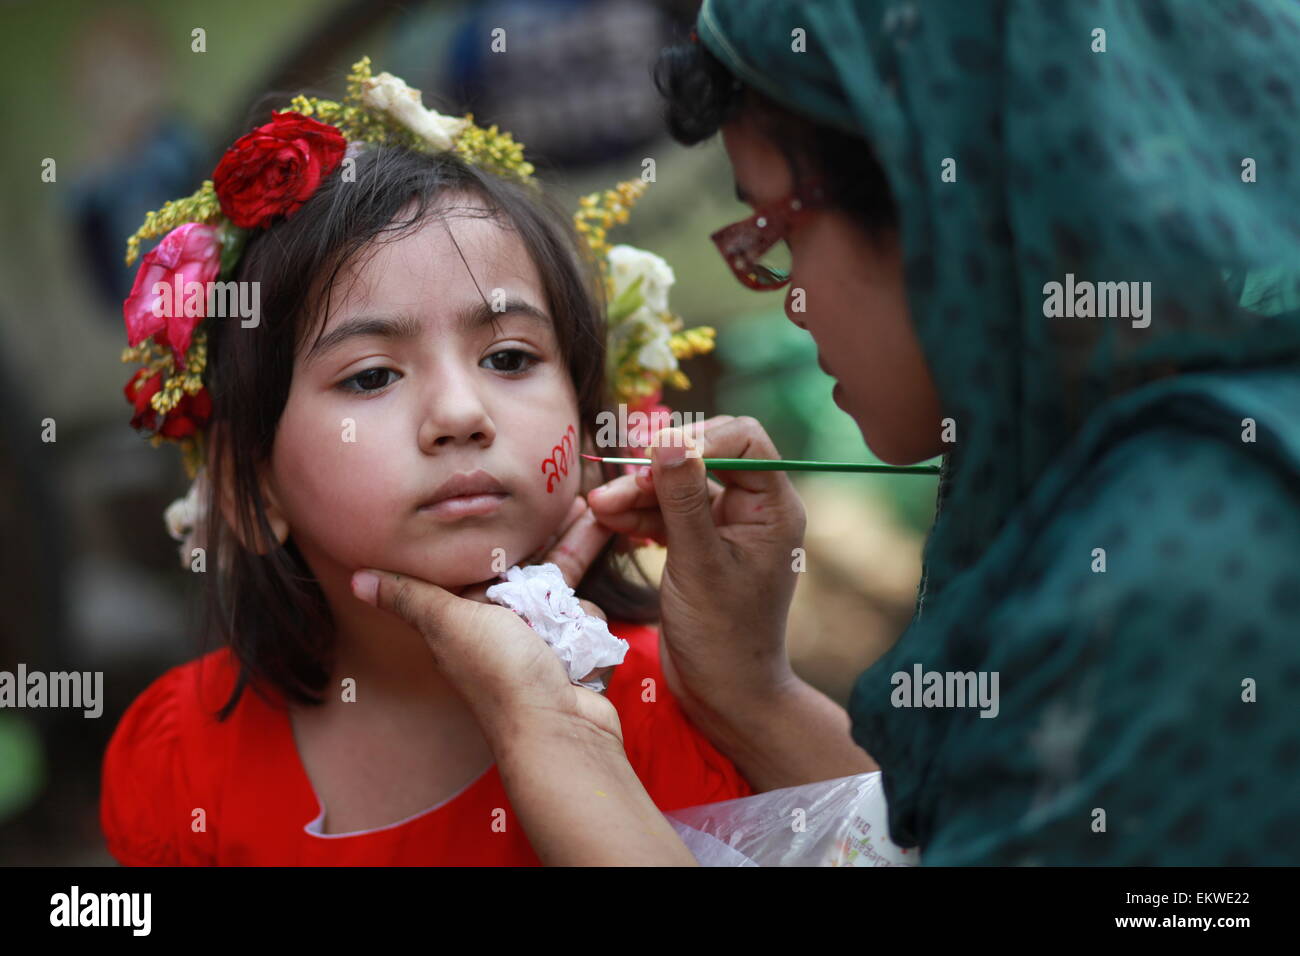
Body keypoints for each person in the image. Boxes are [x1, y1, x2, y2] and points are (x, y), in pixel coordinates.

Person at [361, 0, 1300, 864]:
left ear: (946, 208)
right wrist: (749, 692)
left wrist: (548, 729)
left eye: (777, 232)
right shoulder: (1162, 476)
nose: (795, 302)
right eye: (369, 376)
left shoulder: (1183, 563)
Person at [100, 64, 750, 866]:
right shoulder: (183, 758)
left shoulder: (684, 705)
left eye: (510, 358)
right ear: (254, 489)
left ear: (590, 432)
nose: (460, 415)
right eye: (371, 375)